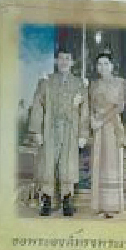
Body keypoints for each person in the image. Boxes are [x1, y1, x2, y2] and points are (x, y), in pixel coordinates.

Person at [25, 48, 86, 216]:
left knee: (68, 164)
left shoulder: (79, 84)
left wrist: (83, 134)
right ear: (56, 61)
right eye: (61, 59)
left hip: (70, 129)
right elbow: (37, 105)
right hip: (49, 128)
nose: (64, 62)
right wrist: (36, 130)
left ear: (72, 62)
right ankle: (46, 200)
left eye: (68, 58)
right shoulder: (46, 81)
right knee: (48, 164)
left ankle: (67, 200)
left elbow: (84, 110)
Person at [86, 52, 126, 217]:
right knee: (99, 163)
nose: (102, 67)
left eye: (106, 64)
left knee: (111, 163)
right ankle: (100, 205)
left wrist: (101, 121)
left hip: (112, 127)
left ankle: (112, 206)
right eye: (99, 64)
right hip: (98, 128)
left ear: (112, 66)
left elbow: (119, 107)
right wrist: (92, 120)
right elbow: (90, 106)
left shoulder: (120, 83)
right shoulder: (94, 85)